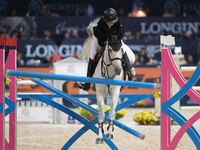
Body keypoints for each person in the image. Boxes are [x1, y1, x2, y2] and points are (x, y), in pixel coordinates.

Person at [78, 8, 135, 91]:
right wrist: (107, 44)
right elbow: (100, 41)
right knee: (93, 55)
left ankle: (129, 72)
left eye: (112, 22)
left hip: (114, 40)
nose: (110, 24)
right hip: (99, 40)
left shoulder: (118, 22)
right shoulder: (101, 23)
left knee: (123, 49)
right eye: (108, 22)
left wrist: (114, 42)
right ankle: (87, 83)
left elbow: (119, 36)